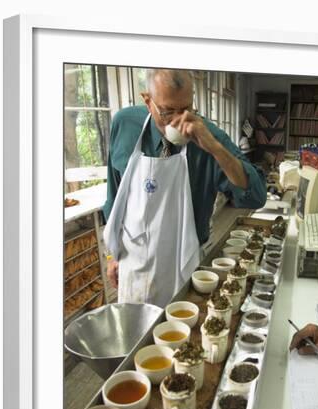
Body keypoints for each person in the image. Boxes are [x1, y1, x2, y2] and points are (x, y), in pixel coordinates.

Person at [103, 68, 266, 307]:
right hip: (132, 263)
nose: (179, 121)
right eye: (168, 112)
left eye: (187, 109)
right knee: (137, 338)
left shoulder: (209, 136)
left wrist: (214, 148)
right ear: (148, 101)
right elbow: (114, 197)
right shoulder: (125, 124)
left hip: (183, 263)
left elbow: (256, 196)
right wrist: (111, 255)